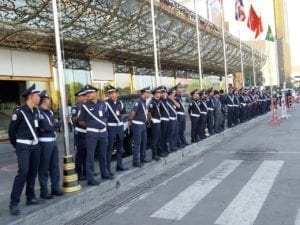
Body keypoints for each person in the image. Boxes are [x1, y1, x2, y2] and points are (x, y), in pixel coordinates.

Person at [8, 84, 41, 215]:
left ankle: (30, 197)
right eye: (37, 95)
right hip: (23, 146)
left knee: (33, 172)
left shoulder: (36, 111)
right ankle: (14, 203)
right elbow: (11, 131)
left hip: (35, 145)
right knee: (23, 172)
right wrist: (17, 146)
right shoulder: (19, 112)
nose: (39, 97)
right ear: (30, 97)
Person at [79, 84, 113, 186]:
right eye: (87, 93)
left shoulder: (103, 104)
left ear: (95, 93)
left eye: (90, 93)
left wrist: (102, 126)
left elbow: (106, 116)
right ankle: (90, 178)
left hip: (103, 132)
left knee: (103, 154)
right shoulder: (85, 106)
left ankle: (105, 173)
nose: (88, 95)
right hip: (91, 133)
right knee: (90, 155)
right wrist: (91, 126)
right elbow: (81, 121)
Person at [38, 90, 63, 199]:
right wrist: (53, 125)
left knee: (54, 166)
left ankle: (55, 188)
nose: (49, 101)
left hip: (53, 141)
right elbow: (46, 127)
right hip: (44, 142)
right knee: (44, 168)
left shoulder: (50, 112)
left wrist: (53, 125)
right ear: (44, 100)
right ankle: (44, 191)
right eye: (48, 99)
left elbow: (57, 124)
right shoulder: (38, 112)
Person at [105, 85, 128, 174]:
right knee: (110, 148)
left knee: (120, 147)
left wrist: (120, 122)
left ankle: (120, 165)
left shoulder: (120, 103)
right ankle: (108, 169)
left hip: (119, 127)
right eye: (110, 94)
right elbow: (104, 117)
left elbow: (123, 114)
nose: (112, 95)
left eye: (113, 93)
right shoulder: (106, 104)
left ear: (117, 94)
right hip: (111, 127)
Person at [128, 87, 151, 167]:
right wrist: (130, 121)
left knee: (144, 142)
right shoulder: (138, 101)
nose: (148, 94)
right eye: (147, 93)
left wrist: (147, 121)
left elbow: (145, 112)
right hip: (137, 124)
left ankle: (143, 158)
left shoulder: (144, 101)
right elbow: (133, 112)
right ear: (143, 93)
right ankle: (135, 161)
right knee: (137, 143)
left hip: (143, 124)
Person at [71, 88, 88, 180]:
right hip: (80, 133)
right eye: (83, 96)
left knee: (87, 154)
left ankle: (87, 172)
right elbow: (73, 120)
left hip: (88, 132)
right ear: (79, 97)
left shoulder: (88, 106)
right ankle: (79, 174)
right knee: (80, 155)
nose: (85, 97)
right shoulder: (76, 107)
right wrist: (79, 117)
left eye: (86, 95)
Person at [148, 87, 165, 161]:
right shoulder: (152, 102)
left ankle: (160, 152)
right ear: (155, 94)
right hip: (154, 122)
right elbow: (149, 113)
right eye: (158, 93)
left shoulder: (158, 101)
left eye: (160, 93)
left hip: (159, 121)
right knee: (155, 139)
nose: (160, 94)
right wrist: (150, 121)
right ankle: (154, 155)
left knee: (159, 138)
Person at [174, 83, 188, 148]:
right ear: (176, 89)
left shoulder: (180, 97)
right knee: (178, 130)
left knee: (183, 129)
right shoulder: (175, 97)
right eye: (180, 88)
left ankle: (183, 141)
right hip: (179, 114)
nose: (181, 89)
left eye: (182, 88)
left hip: (183, 114)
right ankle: (178, 143)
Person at [166, 87, 180, 151]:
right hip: (171, 120)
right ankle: (171, 147)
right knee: (171, 134)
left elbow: (178, 106)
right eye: (173, 93)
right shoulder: (166, 101)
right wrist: (171, 99)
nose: (174, 95)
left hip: (175, 119)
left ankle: (174, 145)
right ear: (170, 94)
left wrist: (173, 100)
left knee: (175, 133)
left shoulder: (172, 101)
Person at [158, 86, 170, 155]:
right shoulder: (159, 101)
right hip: (162, 121)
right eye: (162, 92)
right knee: (162, 136)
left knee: (166, 136)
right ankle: (162, 150)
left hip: (167, 120)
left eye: (165, 92)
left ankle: (165, 148)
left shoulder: (165, 100)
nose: (164, 94)